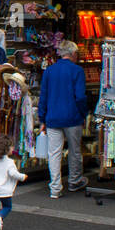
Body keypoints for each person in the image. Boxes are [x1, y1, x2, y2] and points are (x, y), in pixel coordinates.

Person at [39, 40, 88, 198]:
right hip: (73, 116)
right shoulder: (77, 71)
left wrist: (42, 118)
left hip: (52, 117)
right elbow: (80, 96)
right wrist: (84, 113)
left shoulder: (49, 71)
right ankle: (74, 180)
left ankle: (55, 187)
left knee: (54, 153)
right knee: (75, 150)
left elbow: (43, 97)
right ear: (73, 54)